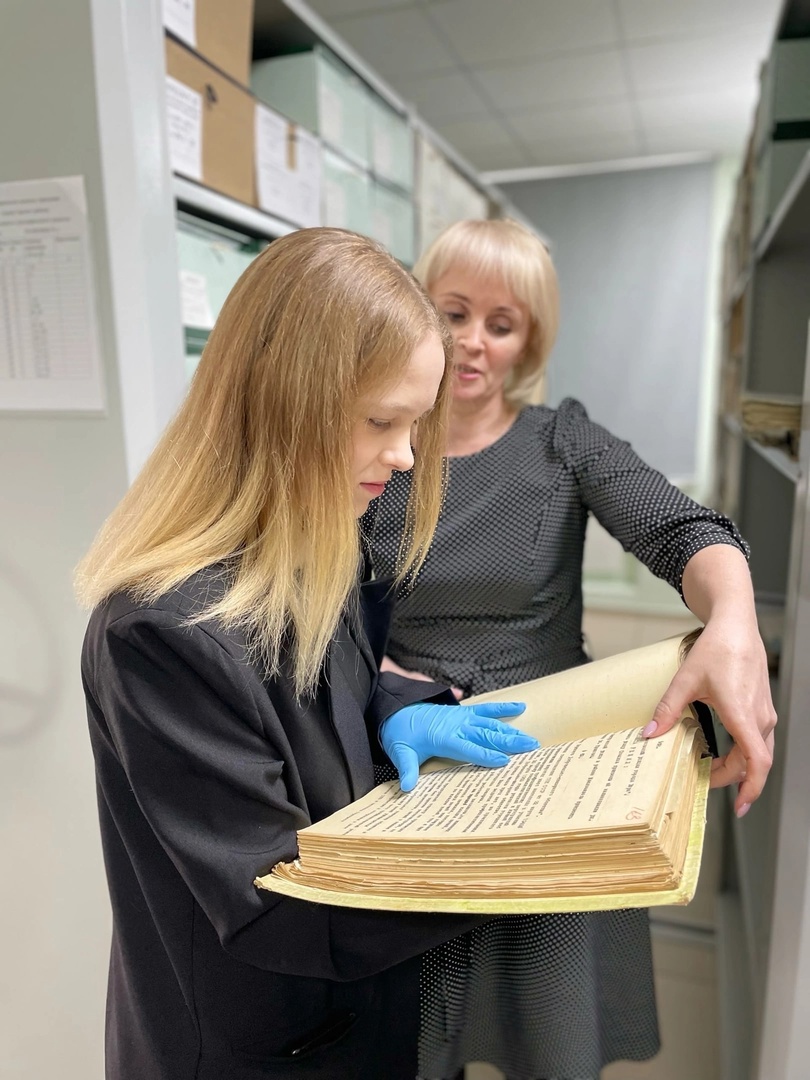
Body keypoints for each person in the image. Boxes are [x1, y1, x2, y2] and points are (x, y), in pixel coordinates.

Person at [74, 228, 543, 1080]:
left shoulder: (319, 541)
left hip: (363, 1017)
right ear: (285, 403)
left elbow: (338, 698)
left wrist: (401, 713)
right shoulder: (156, 633)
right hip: (255, 1045)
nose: (404, 456)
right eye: (381, 422)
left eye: (414, 424)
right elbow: (278, 904)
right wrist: (519, 870)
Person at [363, 218, 777, 1080]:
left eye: (502, 324)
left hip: (544, 761)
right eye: (453, 313)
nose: (473, 342)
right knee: (412, 1030)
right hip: (413, 755)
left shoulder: (563, 441)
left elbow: (682, 529)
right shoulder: (383, 446)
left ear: (530, 340)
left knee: (551, 1028)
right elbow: (325, 605)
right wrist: (391, 688)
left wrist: (734, 620)